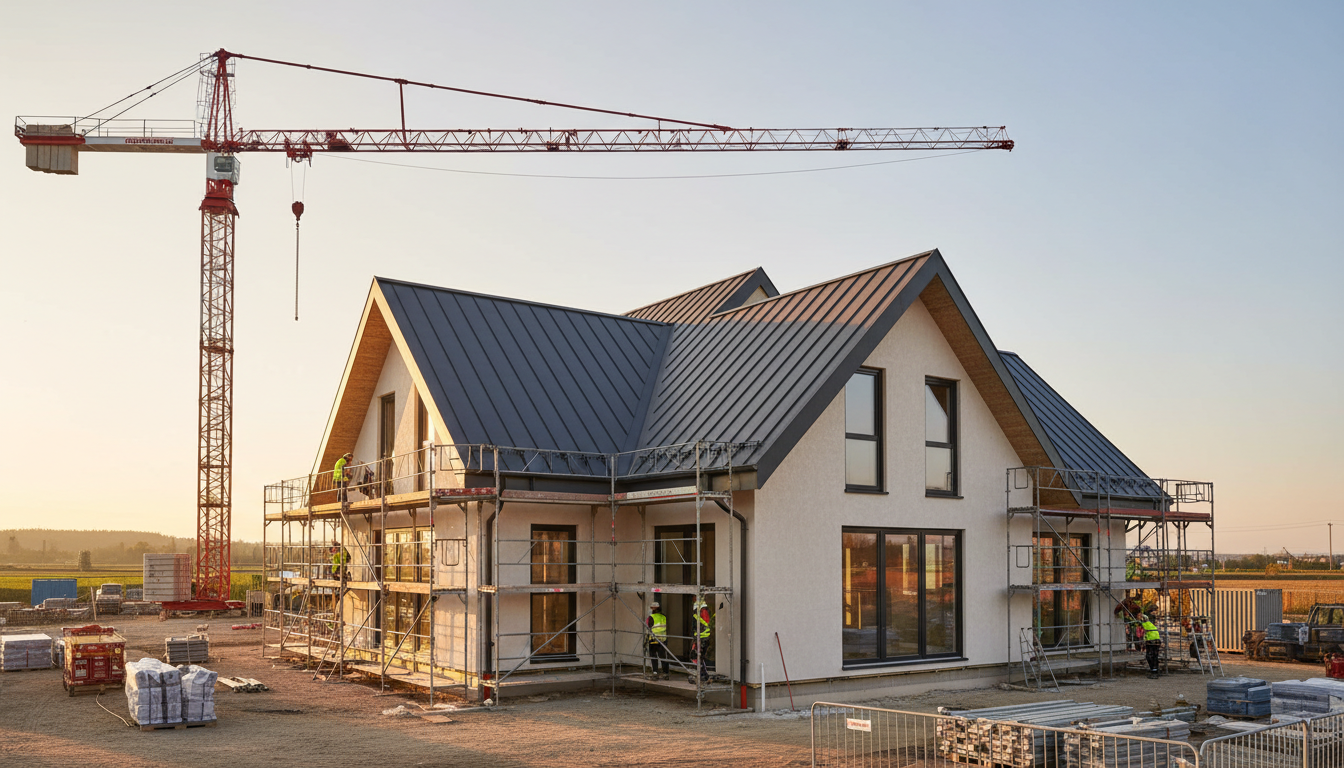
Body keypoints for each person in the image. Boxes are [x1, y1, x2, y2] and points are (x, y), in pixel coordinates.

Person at [646, 601, 670, 680]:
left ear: (652, 608)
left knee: (653, 656)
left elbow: (648, 628)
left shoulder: (650, 617)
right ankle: (666, 672)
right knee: (663, 656)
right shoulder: (664, 617)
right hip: (663, 639)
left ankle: (655, 672)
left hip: (653, 639)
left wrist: (646, 640)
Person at [691, 598, 713, 682]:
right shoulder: (705, 613)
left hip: (700, 639)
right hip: (704, 638)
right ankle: (704, 675)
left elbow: (695, 627)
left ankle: (703, 675)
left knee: (696, 657)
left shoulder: (699, 614)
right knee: (700, 657)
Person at [1140, 613, 1163, 679]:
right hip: (1156, 641)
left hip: (1151, 641)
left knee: (1149, 656)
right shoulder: (1150, 624)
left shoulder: (1144, 624)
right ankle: (1156, 670)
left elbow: (1141, 633)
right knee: (1155, 656)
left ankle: (1154, 671)